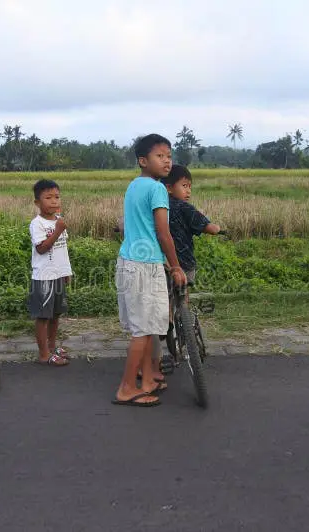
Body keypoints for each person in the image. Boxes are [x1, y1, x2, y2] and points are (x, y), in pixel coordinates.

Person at [113, 134, 186, 408]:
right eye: (160, 156)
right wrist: (176, 265)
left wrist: (161, 260)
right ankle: (127, 388)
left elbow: (141, 229)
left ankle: (147, 382)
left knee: (143, 328)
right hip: (143, 267)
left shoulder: (134, 185)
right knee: (143, 331)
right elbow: (162, 232)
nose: (167, 161)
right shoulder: (157, 190)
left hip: (130, 261)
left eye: (169, 155)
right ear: (143, 161)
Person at [28, 179, 73, 366]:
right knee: (43, 317)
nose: (54, 201)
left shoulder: (58, 221)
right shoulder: (37, 224)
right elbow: (42, 249)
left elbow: (63, 249)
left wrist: (66, 272)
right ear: (37, 203)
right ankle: (44, 354)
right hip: (44, 277)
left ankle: (52, 347)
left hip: (58, 276)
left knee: (55, 315)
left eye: (57, 197)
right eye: (48, 197)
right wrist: (57, 230)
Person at [161, 164, 221, 286]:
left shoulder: (159, 206)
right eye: (184, 186)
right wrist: (217, 227)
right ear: (169, 188)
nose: (188, 190)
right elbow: (211, 229)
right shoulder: (185, 207)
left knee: (167, 296)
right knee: (183, 293)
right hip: (183, 262)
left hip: (162, 262)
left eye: (189, 186)